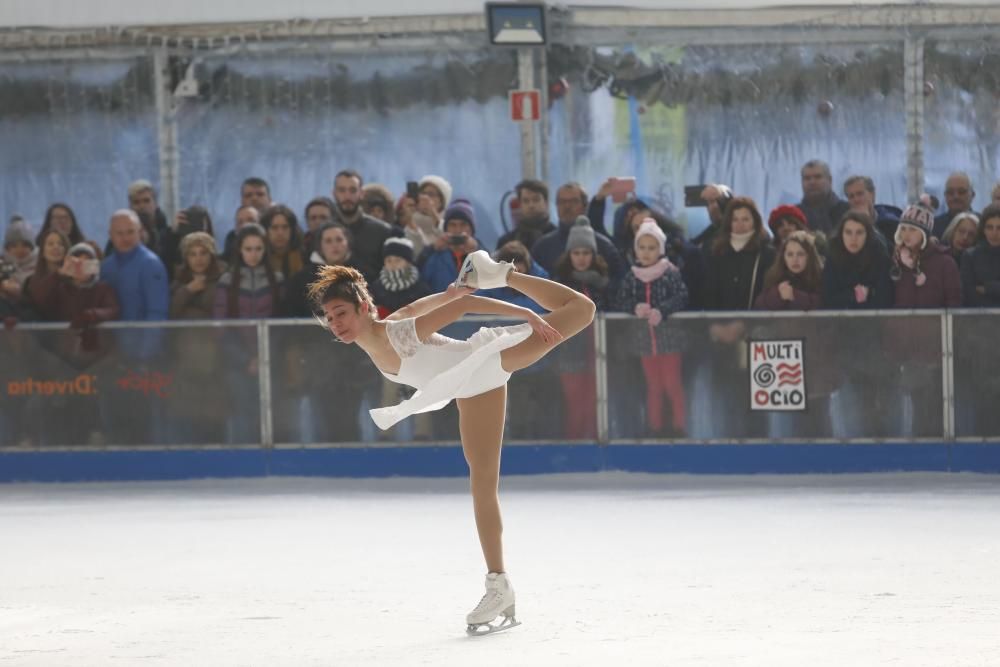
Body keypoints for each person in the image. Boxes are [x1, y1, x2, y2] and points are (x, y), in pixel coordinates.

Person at [307, 250, 595, 634]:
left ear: (362, 308)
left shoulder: (396, 334)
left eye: (341, 312)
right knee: (482, 483)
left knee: (582, 309)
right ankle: (499, 585)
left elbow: (465, 308)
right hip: (470, 387)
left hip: (486, 362)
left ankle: (505, 274)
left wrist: (523, 313)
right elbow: (439, 301)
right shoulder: (391, 324)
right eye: (330, 317)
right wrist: (453, 290)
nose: (335, 323)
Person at [613, 219, 690, 437]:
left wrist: (662, 310)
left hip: (669, 342)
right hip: (644, 343)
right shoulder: (632, 276)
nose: (646, 253)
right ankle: (654, 427)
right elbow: (620, 300)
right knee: (654, 386)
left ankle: (679, 427)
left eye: (652, 247)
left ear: (661, 250)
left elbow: (682, 296)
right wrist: (635, 307)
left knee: (672, 385)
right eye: (642, 247)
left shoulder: (670, 273)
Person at [551, 219, 611, 440]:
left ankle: (594, 440)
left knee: (595, 401)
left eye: (586, 252)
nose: (582, 258)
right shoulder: (560, 283)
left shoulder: (602, 283)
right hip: (571, 351)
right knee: (574, 403)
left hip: (597, 349)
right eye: (576, 252)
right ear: (569, 255)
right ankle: (574, 442)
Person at [702, 197, 775, 310]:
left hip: (755, 322)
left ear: (755, 221)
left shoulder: (767, 253)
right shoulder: (716, 251)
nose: (740, 224)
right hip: (719, 323)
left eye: (745, 219)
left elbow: (767, 292)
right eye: (735, 219)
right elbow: (709, 291)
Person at [331, 169, 397, 282]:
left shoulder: (382, 231)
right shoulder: (324, 232)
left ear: (361, 193)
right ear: (334, 193)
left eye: (353, 190)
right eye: (342, 190)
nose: (347, 196)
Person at [890, 204, 961, 309]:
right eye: (903, 229)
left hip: (936, 324)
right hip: (902, 324)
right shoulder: (895, 260)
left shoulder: (945, 263)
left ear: (924, 234)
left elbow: (954, 302)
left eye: (912, 229)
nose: (906, 234)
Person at [420, 200, 481, 293]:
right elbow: (419, 281)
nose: (458, 230)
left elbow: (491, 285)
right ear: (445, 229)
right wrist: (431, 249)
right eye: (452, 225)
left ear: (471, 229)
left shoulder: (482, 255)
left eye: (463, 225)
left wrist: (477, 251)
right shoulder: (434, 256)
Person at [754, 231, 823, 311]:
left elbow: (823, 303)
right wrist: (777, 294)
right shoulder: (774, 276)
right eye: (790, 254)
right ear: (784, 257)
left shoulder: (820, 276)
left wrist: (795, 295)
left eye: (800, 254)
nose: (795, 260)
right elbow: (759, 305)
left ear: (809, 256)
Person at [169, 232, 223, 320]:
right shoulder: (179, 280)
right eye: (193, 254)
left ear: (211, 255)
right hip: (184, 332)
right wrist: (187, 290)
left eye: (203, 253)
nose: (198, 259)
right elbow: (170, 313)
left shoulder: (222, 279)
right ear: (186, 258)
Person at [496, 179, 556, 250]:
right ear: (520, 205)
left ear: (546, 203)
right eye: (526, 201)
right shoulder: (506, 242)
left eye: (536, 200)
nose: (531, 205)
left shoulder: (558, 238)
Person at [960, 204, 1000, 307]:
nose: (994, 233)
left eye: (999, 228)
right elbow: (969, 293)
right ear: (983, 229)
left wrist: (987, 288)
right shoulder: (970, 256)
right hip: (978, 317)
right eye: (989, 227)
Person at [843, 175, 901, 243]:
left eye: (860, 194)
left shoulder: (891, 224)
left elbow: (890, 251)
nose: (856, 199)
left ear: (872, 194)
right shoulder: (845, 227)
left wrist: (868, 225)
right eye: (851, 196)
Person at [798, 159, 849, 235]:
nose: (812, 182)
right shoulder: (795, 216)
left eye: (818, 177)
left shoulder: (848, 211)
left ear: (830, 180)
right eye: (807, 178)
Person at [260, 204, 305, 280]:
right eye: (274, 227)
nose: (280, 233)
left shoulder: (305, 257)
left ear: (292, 230)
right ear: (266, 231)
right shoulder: (258, 257)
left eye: (285, 227)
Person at [933, 172, 976, 239]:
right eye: (950, 192)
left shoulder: (983, 225)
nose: (956, 196)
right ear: (945, 196)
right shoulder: (934, 226)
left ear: (972, 195)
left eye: (961, 192)